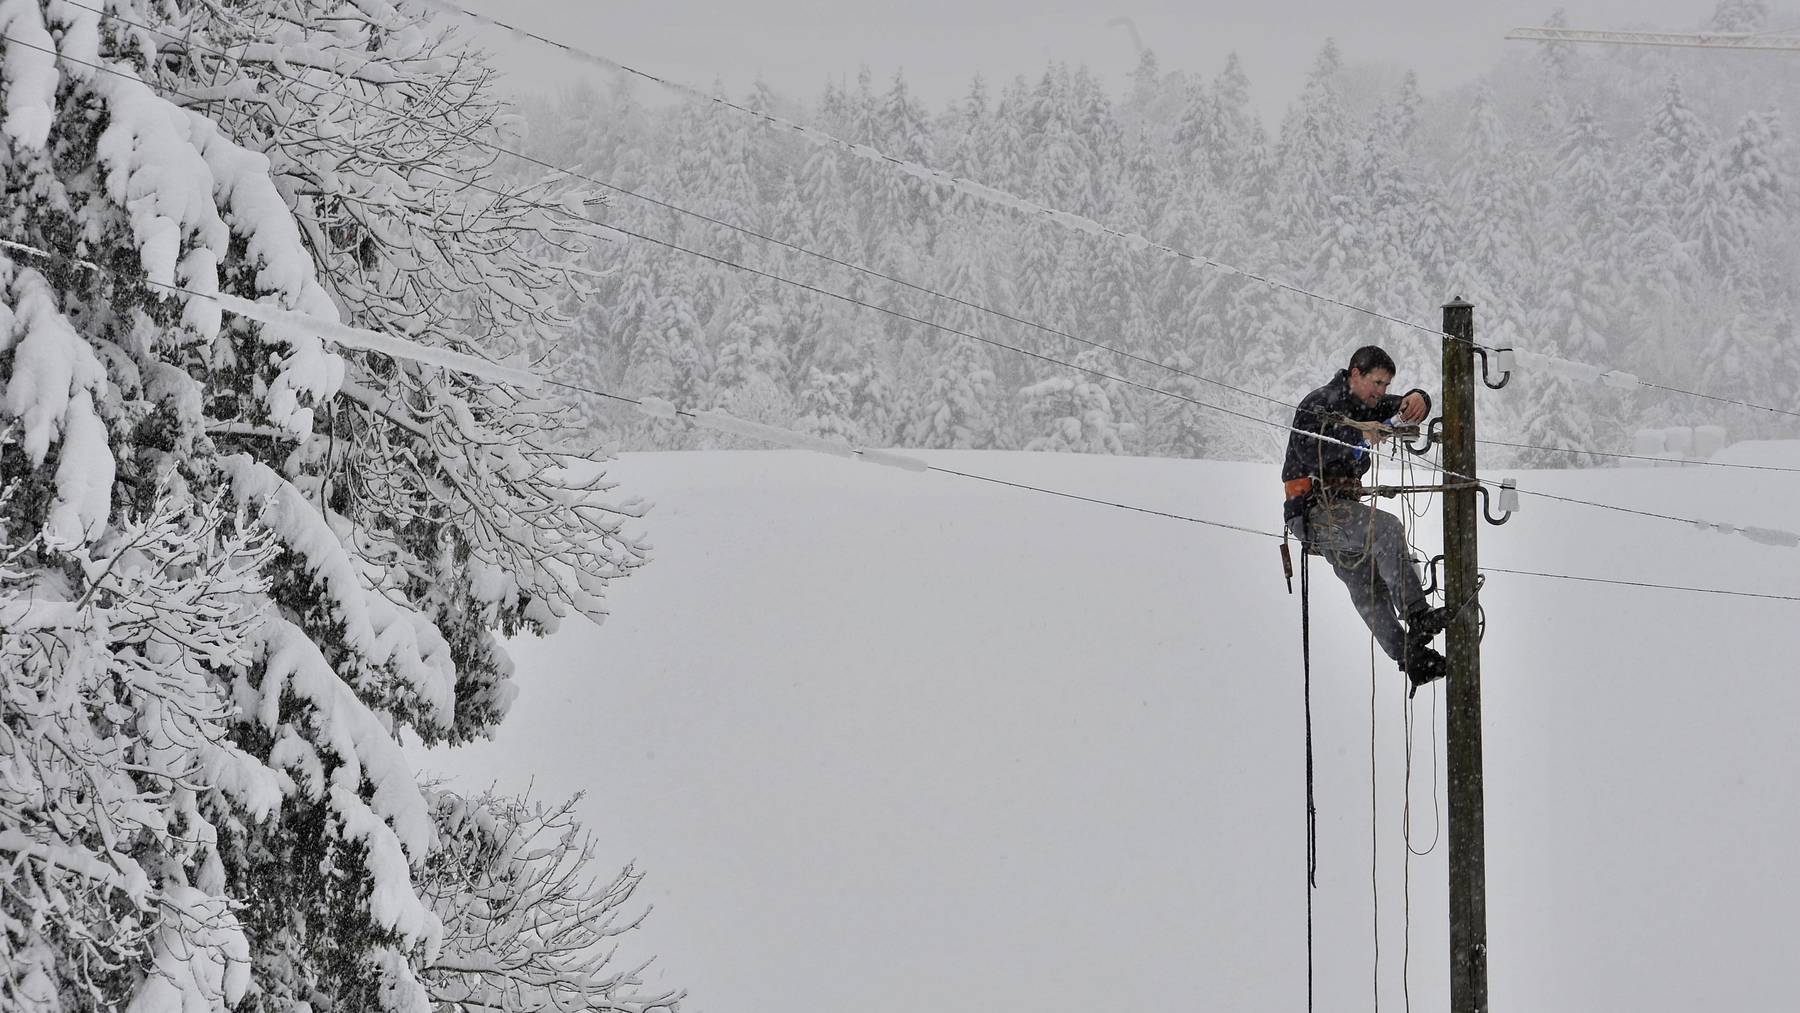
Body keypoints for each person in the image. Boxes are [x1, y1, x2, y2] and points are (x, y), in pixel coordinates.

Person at [1281, 345, 1450, 690]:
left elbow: (1402, 406)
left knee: (1366, 586)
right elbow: (1310, 449)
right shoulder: (1321, 403)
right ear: (1355, 374)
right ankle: (1417, 613)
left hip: (1341, 511)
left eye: (1386, 385)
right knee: (1385, 529)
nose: (1381, 392)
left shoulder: (1367, 404)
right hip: (1314, 511)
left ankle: (1409, 657)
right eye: (1376, 382)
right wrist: (1359, 433)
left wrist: (1419, 399)